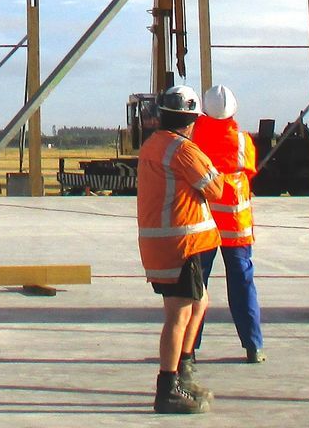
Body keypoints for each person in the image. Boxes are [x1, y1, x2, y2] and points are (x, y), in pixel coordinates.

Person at [136, 84, 229, 415]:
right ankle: (169, 386)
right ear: (191, 120)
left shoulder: (153, 145)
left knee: (200, 301)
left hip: (164, 243)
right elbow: (216, 188)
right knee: (179, 313)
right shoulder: (183, 150)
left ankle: (184, 367)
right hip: (180, 245)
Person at [191, 85, 264, 363]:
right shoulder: (244, 141)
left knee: (197, 285)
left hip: (204, 222)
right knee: (243, 283)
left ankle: (189, 348)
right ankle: (253, 346)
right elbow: (249, 171)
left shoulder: (194, 138)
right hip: (236, 223)